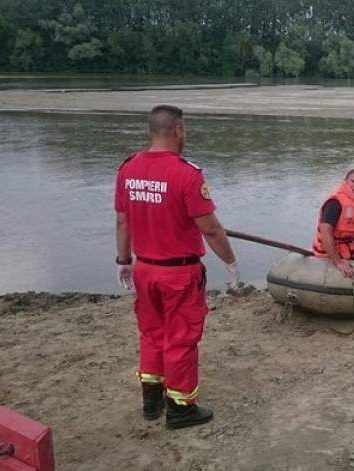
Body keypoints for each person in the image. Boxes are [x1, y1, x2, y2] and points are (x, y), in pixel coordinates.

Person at [114, 104, 239, 430]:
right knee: (181, 339)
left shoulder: (127, 169)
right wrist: (230, 259)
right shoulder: (187, 173)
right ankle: (181, 408)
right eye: (186, 130)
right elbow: (210, 228)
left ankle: (151, 402)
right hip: (179, 273)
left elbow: (122, 222)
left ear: (151, 131)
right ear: (179, 130)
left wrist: (124, 260)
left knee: (152, 334)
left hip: (144, 268)